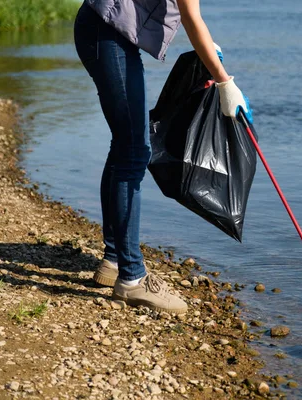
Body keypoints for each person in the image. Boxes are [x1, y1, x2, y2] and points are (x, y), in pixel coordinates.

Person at [73, 0, 251, 314]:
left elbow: (191, 17)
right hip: (106, 34)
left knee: (126, 145)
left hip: (103, 31)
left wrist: (209, 50)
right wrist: (224, 81)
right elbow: (191, 16)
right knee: (133, 152)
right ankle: (132, 279)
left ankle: (114, 260)